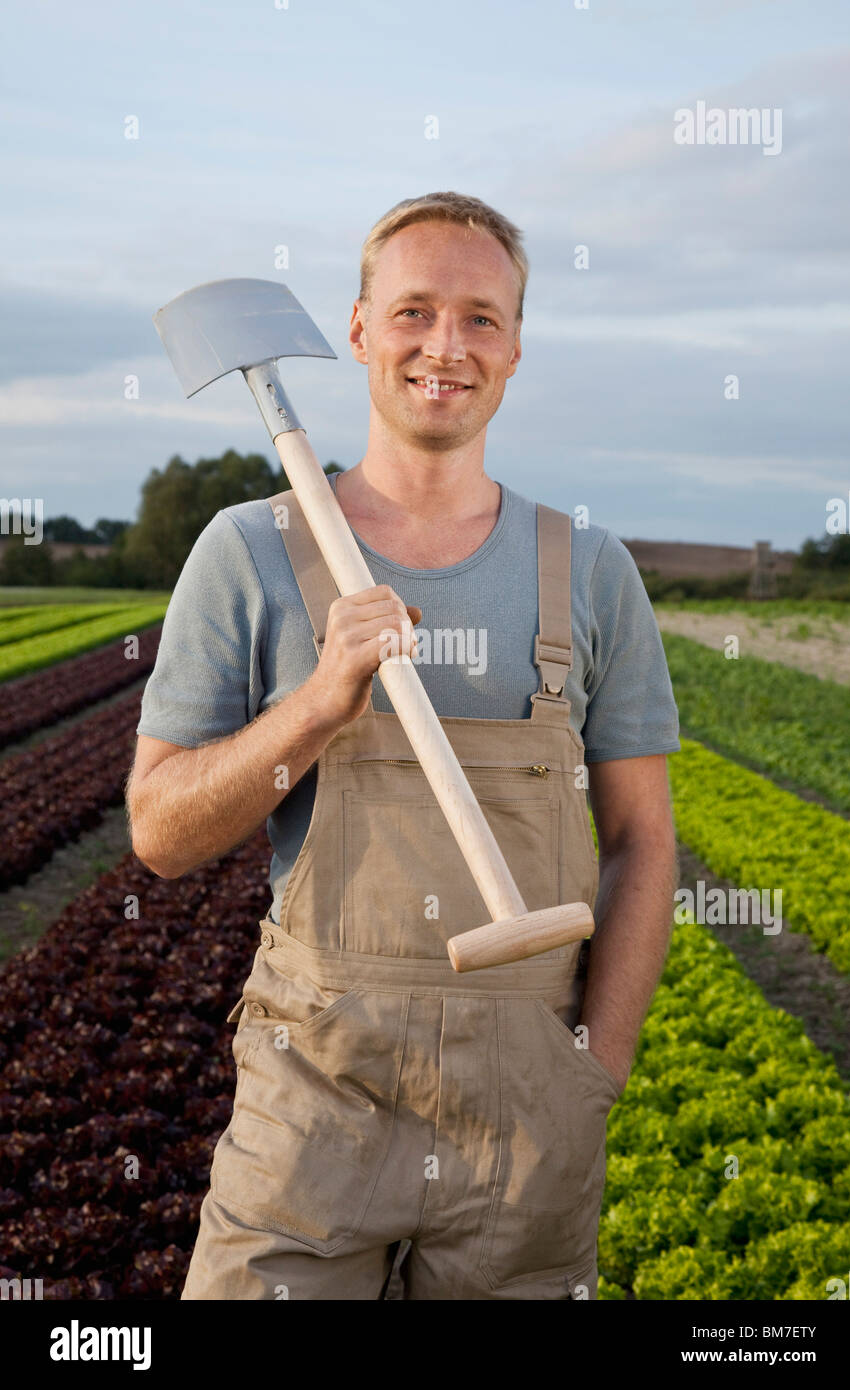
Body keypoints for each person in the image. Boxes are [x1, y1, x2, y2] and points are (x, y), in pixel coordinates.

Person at [127, 191, 680, 1300]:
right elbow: (159, 834)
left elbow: (642, 841)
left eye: (480, 318)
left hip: (527, 1122)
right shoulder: (249, 552)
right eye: (414, 310)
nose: (444, 345)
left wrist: (594, 1074)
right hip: (313, 1106)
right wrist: (321, 702)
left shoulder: (588, 571)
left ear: (515, 348)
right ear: (359, 330)